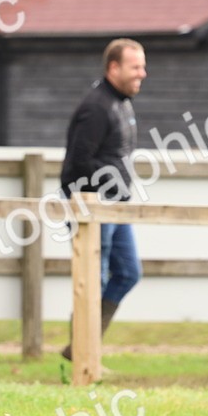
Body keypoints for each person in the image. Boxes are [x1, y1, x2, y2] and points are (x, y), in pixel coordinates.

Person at [58, 38, 147, 361]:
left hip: (115, 207)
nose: (142, 73)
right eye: (135, 67)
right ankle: (84, 357)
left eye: (142, 66)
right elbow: (77, 163)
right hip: (92, 207)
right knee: (92, 280)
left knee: (128, 272)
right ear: (114, 68)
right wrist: (107, 187)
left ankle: (80, 349)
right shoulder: (96, 107)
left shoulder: (121, 103)